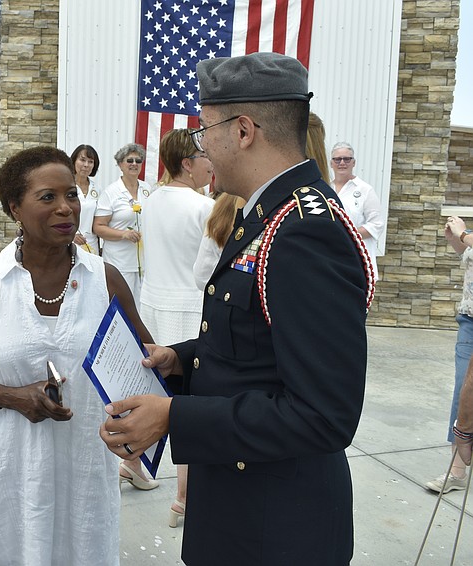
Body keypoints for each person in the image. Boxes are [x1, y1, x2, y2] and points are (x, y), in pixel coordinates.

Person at [99, 52, 374, 565]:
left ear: (243, 130)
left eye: (205, 130)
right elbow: (256, 340)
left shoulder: (305, 229)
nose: (202, 147)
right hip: (240, 507)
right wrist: (180, 359)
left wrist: (175, 416)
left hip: (276, 527)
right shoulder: (263, 214)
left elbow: (324, 415)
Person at [0, 146, 152, 565]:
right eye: (47, 197)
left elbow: (143, 360)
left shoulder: (105, 280)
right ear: (14, 207)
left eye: (71, 195)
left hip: (84, 471)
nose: (65, 208)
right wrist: (8, 395)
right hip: (7, 473)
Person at [137, 129, 214, 527]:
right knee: (186, 404)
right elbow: (210, 268)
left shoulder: (150, 202)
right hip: (187, 310)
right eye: (205, 157)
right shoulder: (204, 207)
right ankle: (183, 497)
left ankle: (132, 463)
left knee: (150, 391)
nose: (211, 164)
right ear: (188, 163)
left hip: (153, 303)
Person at [425, 214, 473, 492]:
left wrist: (464, 233)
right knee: (463, 392)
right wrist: (456, 241)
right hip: (469, 319)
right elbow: (467, 256)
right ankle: (457, 470)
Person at [93, 143, 154, 306]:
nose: (134, 164)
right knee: (122, 305)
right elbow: (98, 227)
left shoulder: (147, 189)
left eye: (138, 160)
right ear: (120, 164)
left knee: (142, 306)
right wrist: (123, 234)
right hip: (119, 261)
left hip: (142, 260)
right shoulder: (111, 192)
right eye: (130, 160)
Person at [331, 141, 385, 276]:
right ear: (331, 163)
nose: (342, 163)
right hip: (331, 258)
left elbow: (376, 225)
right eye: (337, 159)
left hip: (358, 260)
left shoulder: (365, 190)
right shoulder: (325, 188)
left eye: (347, 159)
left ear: (353, 162)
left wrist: (348, 234)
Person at [70, 144, 101, 253]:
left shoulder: (97, 189)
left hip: (91, 245)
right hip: (70, 242)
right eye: (82, 160)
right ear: (74, 161)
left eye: (90, 162)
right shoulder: (65, 186)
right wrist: (71, 234)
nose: (86, 165)